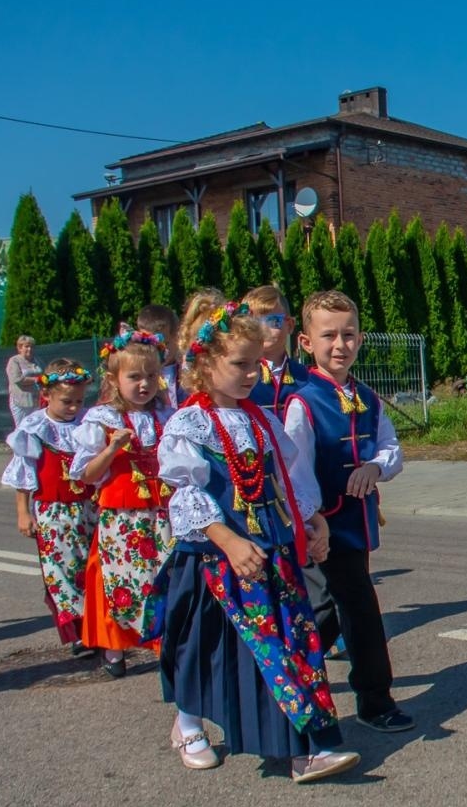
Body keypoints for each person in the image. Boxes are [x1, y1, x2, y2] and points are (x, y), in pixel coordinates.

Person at [152, 299, 355, 781]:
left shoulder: (260, 419)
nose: (250, 374)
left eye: (255, 364)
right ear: (203, 365)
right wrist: (226, 539)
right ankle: (188, 722)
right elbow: (183, 493)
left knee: (288, 643)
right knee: (202, 647)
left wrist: (312, 518)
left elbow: (287, 477)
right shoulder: (189, 424)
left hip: (271, 549)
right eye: (239, 365)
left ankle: (304, 746)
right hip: (217, 561)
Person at [283, 291, 413, 732]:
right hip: (322, 527)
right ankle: (373, 700)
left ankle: (285, 684)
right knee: (353, 609)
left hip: (354, 526)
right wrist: (310, 520)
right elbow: (295, 468)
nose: (340, 345)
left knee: (333, 613)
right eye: (329, 335)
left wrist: (376, 467)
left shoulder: (367, 398)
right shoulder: (303, 402)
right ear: (306, 342)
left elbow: (390, 448)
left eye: (349, 334)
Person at [69, 326, 174, 677]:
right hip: (122, 517)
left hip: (161, 513)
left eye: (151, 376)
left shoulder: (166, 417)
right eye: (134, 377)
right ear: (114, 379)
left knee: (163, 576)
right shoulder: (102, 420)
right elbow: (84, 474)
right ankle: (114, 647)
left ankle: (165, 641)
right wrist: (112, 449)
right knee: (119, 581)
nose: (144, 384)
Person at [1, 359, 97, 657]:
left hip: (89, 507)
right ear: (47, 396)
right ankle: (79, 633)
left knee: (93, 566)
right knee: (64, 571)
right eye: (67, 401)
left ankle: (100, 626)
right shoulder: (36, 427)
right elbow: (24, 472)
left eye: (79, 401)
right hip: (54, 512)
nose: (73, 407)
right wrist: (23, 511)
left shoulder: (88, 423)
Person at [242, 285, 309, 418]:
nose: (262, 329)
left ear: (289, 325)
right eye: (254, 323)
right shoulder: (242, 375)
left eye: (273, 321)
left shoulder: (306, 376)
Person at [137, 304, 182, 411]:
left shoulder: (186, 372)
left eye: (165, 344)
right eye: (151, 344)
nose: (160, 351)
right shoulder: (142, 375)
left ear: (177, 338)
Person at [5, 335, 42, 428]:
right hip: (21, 401)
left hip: (37, 400)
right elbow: (18, 379)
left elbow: (44, 374)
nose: (30, 349)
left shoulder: (37, 360)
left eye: (32, 347)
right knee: (22, 429)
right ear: (20, 347)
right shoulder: (14, 361)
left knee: (35, 428)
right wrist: (37, 379)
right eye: (27, 346)